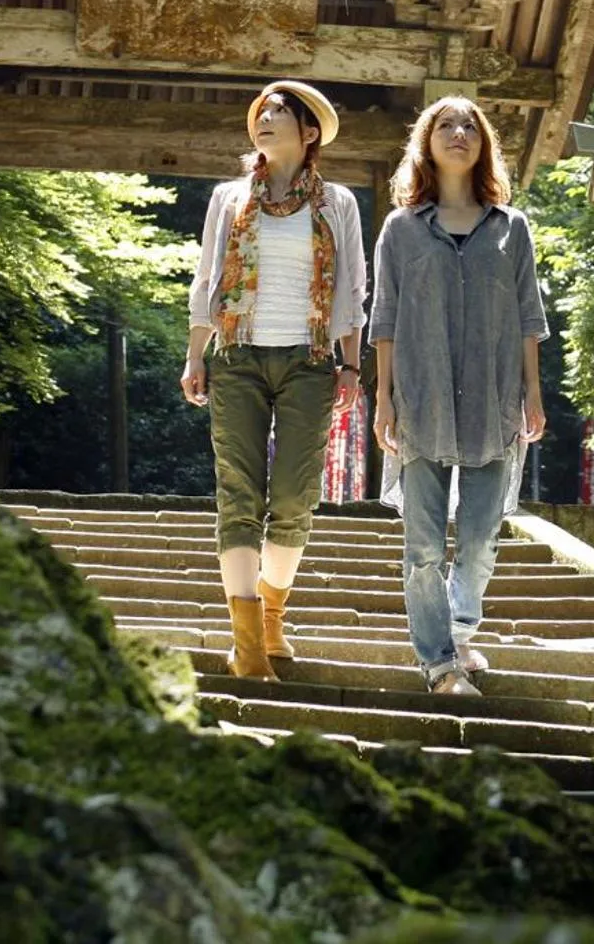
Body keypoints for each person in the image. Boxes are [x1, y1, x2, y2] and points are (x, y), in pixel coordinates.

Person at [183, 81, 366, 680]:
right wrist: (195, 355)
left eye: (280, 112)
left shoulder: (336, 203)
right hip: (236, 356)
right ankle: (247, 646)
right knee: (239, 494)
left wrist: (351, 364)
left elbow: (352, 287)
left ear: (309, 133)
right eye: (262, 112)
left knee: (292, 497)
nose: (266, 119)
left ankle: (272, 618)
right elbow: (208, 277)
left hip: (310, 361)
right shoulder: (228, 198)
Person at [369, 95, 548, 695]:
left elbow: (529, 316)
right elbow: (385, 318)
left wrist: (533, 392)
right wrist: (383, 398)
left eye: (471, 125)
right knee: (423, 544)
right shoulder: (401, 229)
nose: (459, 132)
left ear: (483, 144)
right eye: (445, 124)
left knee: (479, 537)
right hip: (421, 398)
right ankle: (440, 663)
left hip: (493, 399)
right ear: (427, 141)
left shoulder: (511, 227)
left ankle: (461, 627)